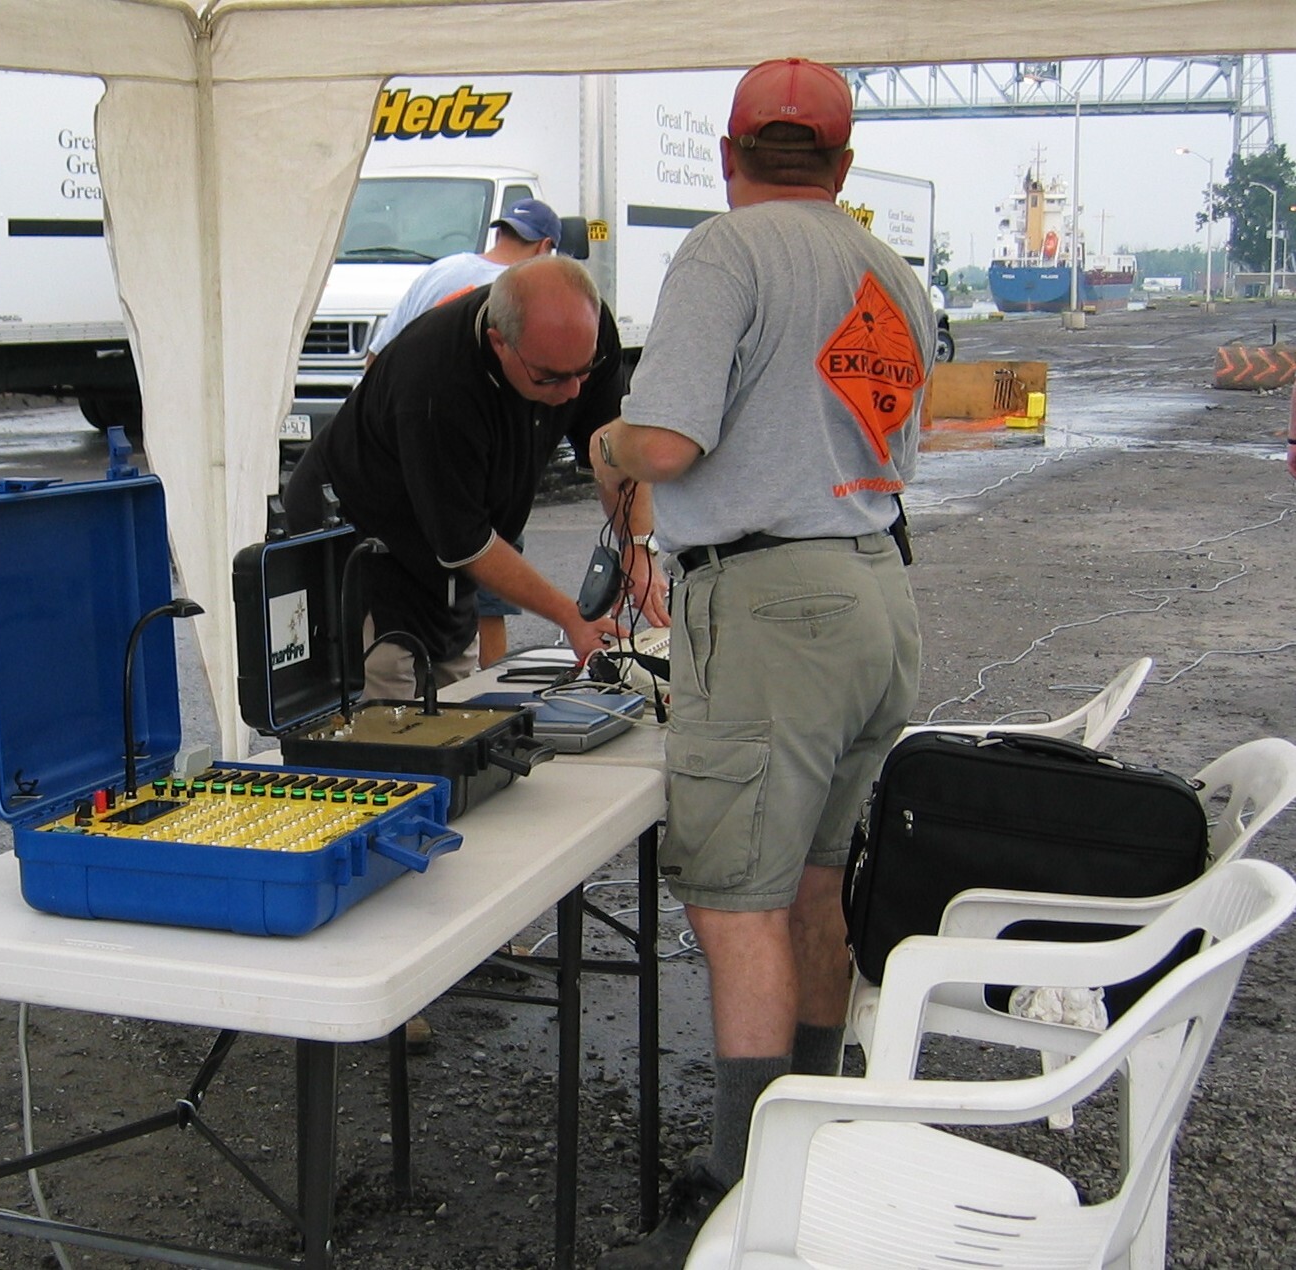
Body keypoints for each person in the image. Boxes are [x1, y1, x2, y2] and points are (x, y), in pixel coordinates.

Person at [589, 58, 936, 1267]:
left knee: (736, 894)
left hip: (774, 603)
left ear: (731, 154)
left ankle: (743, 1194)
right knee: (816, 878)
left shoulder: (726, 251)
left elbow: (672, 442)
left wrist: (606, 436)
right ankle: (812, 1132)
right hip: (876, 589)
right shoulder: (887, 270)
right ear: (840, 166)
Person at [284, 253, 669, 704]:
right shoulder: (435, 383)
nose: (572, 393)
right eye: (550, 378)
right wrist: (570, 615)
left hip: (450, 545)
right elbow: (465, 543)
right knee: (389, 712)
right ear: (499, 342)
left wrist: (638, 547)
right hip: (362, 539)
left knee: (457, 702)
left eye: (583, 371)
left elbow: (615, 452)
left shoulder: (587, 332)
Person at [364, 197, 567, 668]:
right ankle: (488, 692)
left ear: (502, 234)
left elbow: (376, 360)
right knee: (487, 584)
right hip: (471, 465)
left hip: (396, 459)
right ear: (546, 247)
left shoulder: (443, 270)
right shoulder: (521, 296)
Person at [365, 196, 563, 363]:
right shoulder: (525, 292)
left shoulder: (440, 269)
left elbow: (378, 352)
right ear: (544, 247)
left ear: (498, 234)